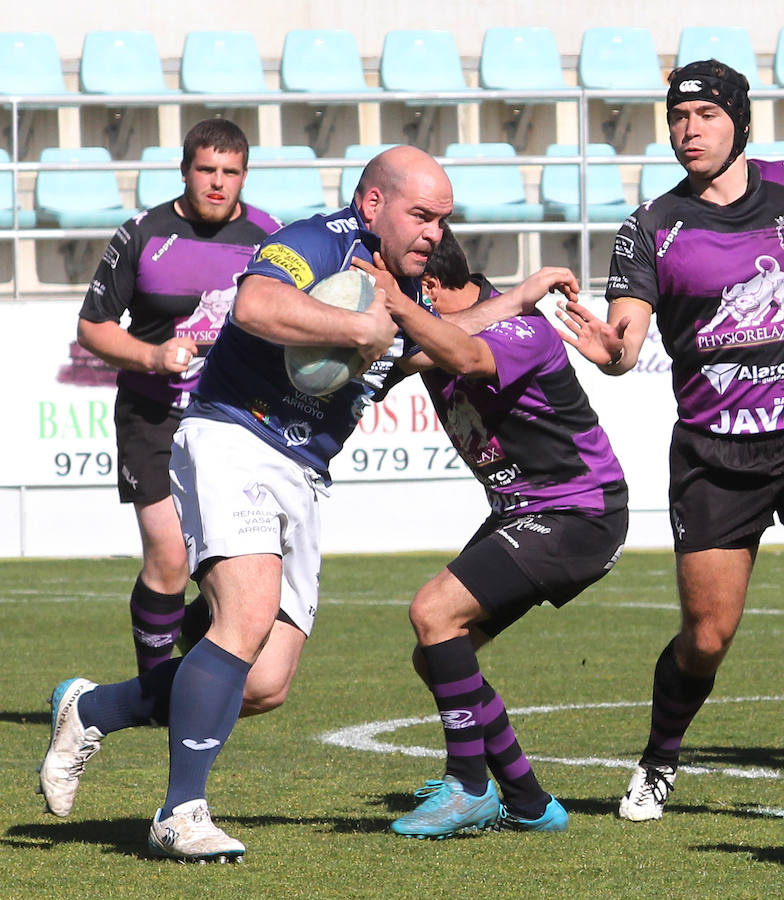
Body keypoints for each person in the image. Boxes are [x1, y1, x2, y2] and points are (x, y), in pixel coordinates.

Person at [38, 146, 534, 862]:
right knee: (243, 617)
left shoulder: (408, 289)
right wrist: (357, 328)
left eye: (442, 220)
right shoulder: (317, 241)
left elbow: (431, 349)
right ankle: (180, 814)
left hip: (304, 471)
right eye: (422, 215)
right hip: (234, 435)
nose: (435, 232)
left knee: (266, 681)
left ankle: (94, 708)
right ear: (373, 204)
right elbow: (256, 304)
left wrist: (518, 300)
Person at [553, 59, 784, 822]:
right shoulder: (652, 227)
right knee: (708, 637)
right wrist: (611, 351)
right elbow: (625, 341)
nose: (690, 130)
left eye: (707, 115)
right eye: (679, 118)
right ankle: (659, 757)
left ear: (740, 121)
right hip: (715, 454)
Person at [353, 225, 629, 839]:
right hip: (522, 510)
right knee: (437, 654)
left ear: (427, 285)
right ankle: (529, 801)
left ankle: (469, 786)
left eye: (398, 291)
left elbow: (469, 356)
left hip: (579, 512)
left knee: (433, 611)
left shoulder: (523, 328)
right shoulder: (438, 327)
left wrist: (397, 305)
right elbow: (394, 362)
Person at [77, 118, 280, 676]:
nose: (217, 182)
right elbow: (92, 327)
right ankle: (148, 690)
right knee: (170, 556)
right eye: (206, 169)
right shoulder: (142, 234)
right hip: (154, 412)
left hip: (237, 420)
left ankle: (189, 650)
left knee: (240, 572)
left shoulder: (270, 237)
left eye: (230, 172)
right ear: (184, 170)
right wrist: (151, 356)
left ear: (244, 175)